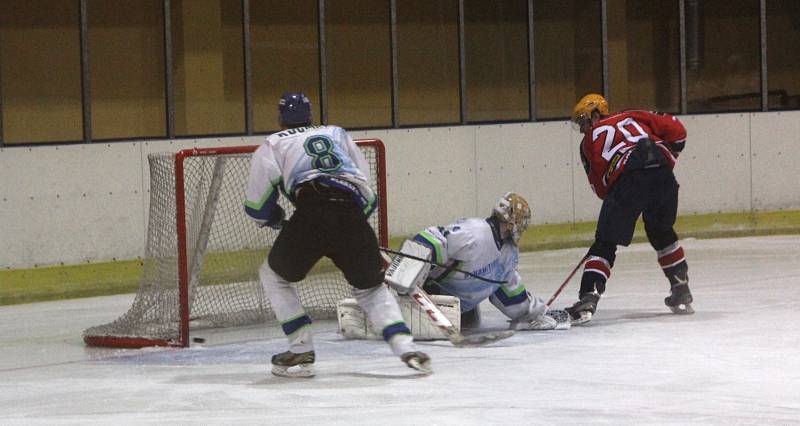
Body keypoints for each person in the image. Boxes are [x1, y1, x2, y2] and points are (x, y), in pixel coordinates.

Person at [244, 92, 430, 377]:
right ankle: (407, 349)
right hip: (351, 212)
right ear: (310, 115)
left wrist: (276, 218)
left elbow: (256, 207)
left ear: (280, 119)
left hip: (311, 212)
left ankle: (300, 346)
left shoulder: (273, 144)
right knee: (370, 289)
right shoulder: (336, 133)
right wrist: (350, 226)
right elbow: (366, 191)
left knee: (273, 275)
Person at [566, 93, 693, 325]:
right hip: (663, 175)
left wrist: (617, 203)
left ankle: (589, 297)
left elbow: (599, 186)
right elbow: (678, 133)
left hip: (628, 179)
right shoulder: (633, 115)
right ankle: (681, 288)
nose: (583, 128)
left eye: (584, 121)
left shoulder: (587, 142)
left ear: (596, 113)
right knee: (662, 231)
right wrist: (666, 159)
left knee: (605, 243)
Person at [413, 192, 569, 332]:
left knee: (472, 323)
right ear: (513, 222)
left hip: (459, 313)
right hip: (427, 299)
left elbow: (510, 297)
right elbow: (431, 239)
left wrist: (534, 313)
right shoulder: (474, 233)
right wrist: (406, 272)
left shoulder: (509, 254)